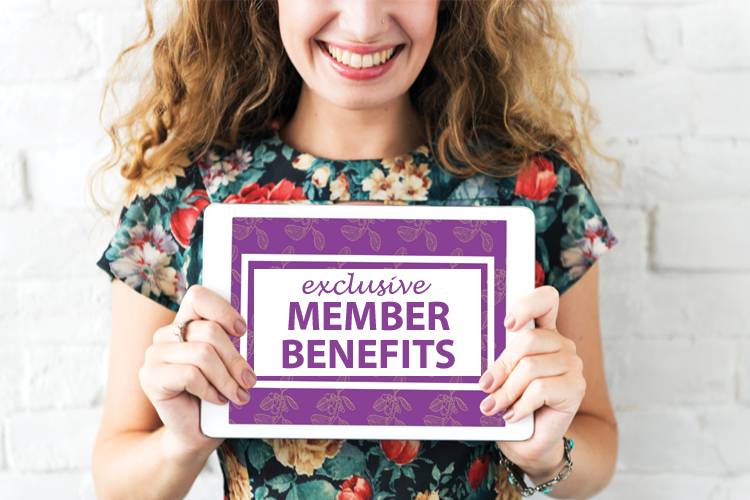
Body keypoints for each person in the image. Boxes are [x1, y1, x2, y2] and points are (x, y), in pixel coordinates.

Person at [89, 1, 619, 498]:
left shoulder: (538, 189)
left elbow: (598, 447)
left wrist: (547, 453)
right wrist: (182, 441)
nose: (363, 25)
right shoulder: (186, 197)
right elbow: (116, 474)